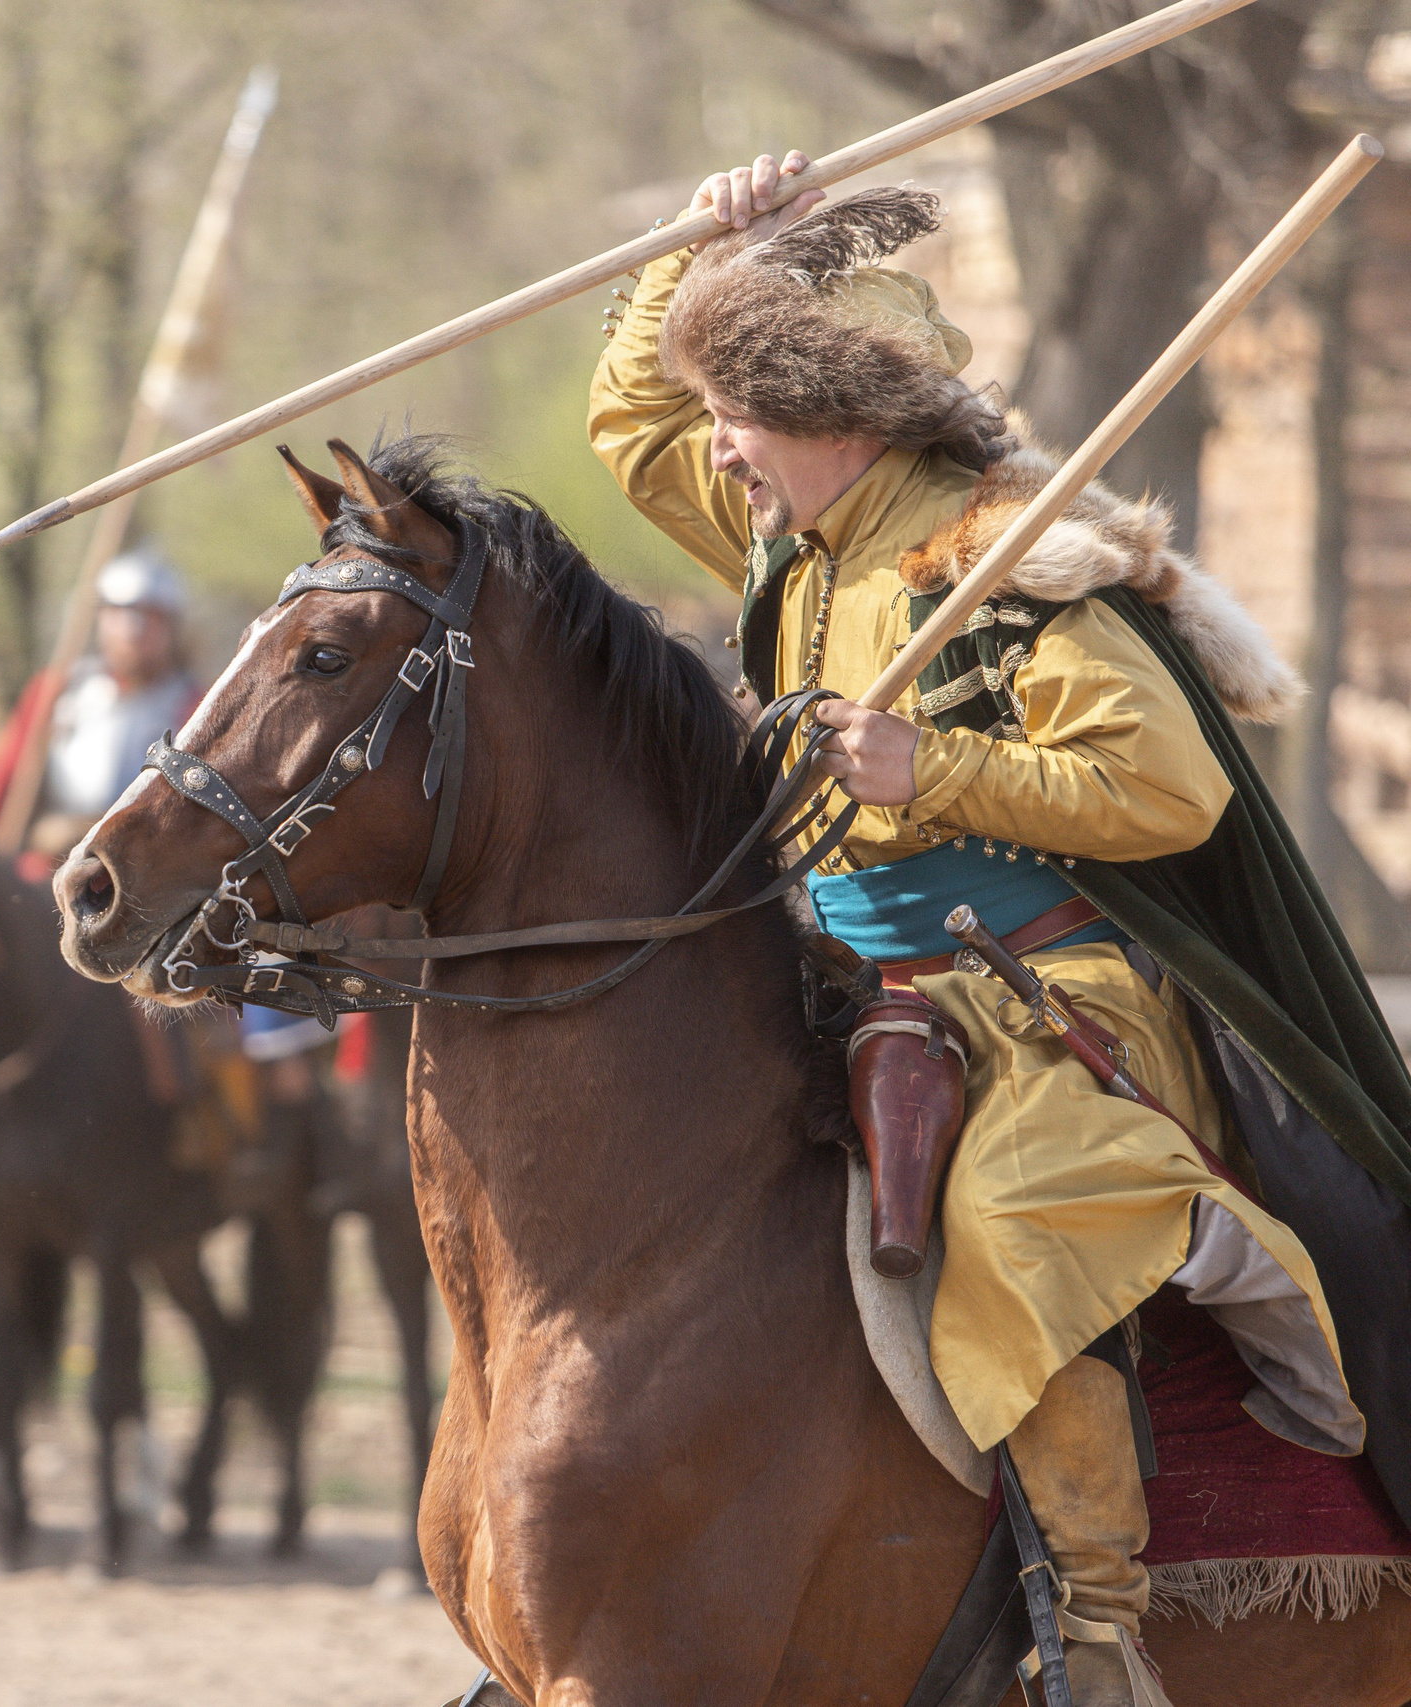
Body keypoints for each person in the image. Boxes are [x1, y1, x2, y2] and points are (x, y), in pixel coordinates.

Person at [591, 152, 1410, 1705]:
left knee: (1022, 1221)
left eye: (740, 418)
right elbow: (631, 429)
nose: (716, 455)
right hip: (835, 968)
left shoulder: (1003, 563)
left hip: (1037, 991)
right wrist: (695, 250)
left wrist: (934, 765)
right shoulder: (791, 535)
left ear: (829, 416)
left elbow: (1171, 791)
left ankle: (1090, 1629)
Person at [0, 548, 202, 881]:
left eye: (150, 615)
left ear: (171, 625)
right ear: (100, 618)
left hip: (146, 876)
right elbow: (1, 780)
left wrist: (83, 828)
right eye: (121, 613)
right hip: (49, 871)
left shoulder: (196, 704)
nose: (134, 630)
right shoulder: (55, 691)